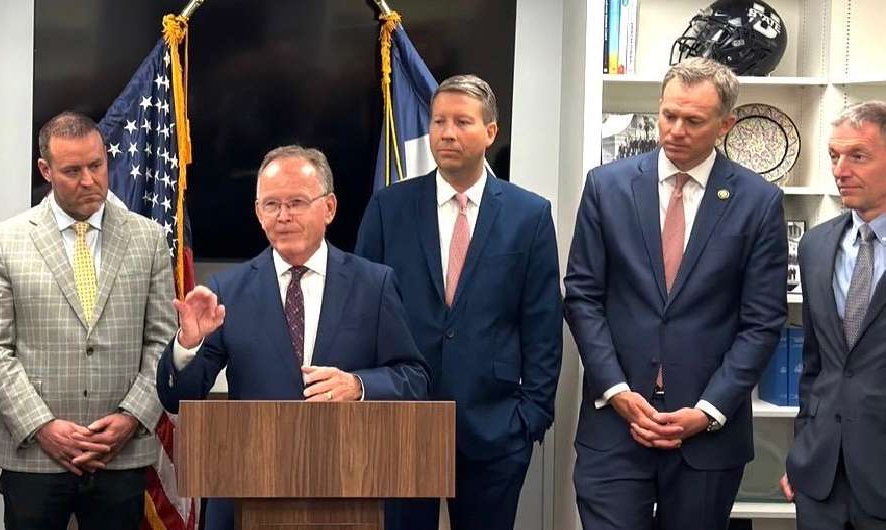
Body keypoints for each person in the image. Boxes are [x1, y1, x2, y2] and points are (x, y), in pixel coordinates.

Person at [564, 57, 787, 530]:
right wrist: (616, 390)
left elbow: (763, 321)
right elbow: (582, 294)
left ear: (725, 124)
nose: (676, 130)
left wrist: (707, 411)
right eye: (668, 115)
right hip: (616, 424)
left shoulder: (758, 201)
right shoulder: (607, 187)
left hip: (706, 435)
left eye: (693, 120)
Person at [157, 145, 430, 530]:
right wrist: (188, 345)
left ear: (329, 208)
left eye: (297, 202)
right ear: (258, 213)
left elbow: (414, 378)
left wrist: (357, 385)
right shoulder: (227, 290)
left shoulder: (374, 284)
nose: (283, 216)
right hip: (248, 492)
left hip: (349, 489)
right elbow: (178, 397)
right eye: (271, 204)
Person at [354, 75, 562, 530]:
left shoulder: (530, 214)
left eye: (462, 122)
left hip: (496, 427)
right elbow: (361, 310)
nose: (446, 133)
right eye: (438, 121)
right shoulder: (390, 207)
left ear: (491, 132)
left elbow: (543, 325)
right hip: (401, 426)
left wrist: (531, 416)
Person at [0, 111, 176, 530]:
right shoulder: (5, 241)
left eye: (97, 165)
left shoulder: (149, 239)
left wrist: (130, 418)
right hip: (34, 456)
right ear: (45, 170)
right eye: (72, 170)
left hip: (120, 455)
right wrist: (42, 426)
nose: (89, 180)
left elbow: (161, 341)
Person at [781, 101, 886, 529]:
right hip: (819, 478)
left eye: (857, 155)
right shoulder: (817, 246)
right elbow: (816, 365)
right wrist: (801, 451)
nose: (840, 169)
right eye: (833, 155)